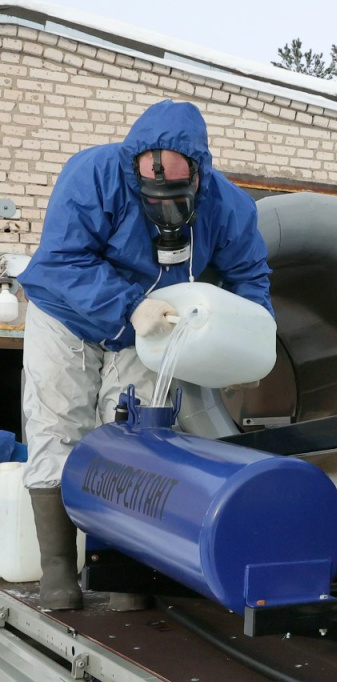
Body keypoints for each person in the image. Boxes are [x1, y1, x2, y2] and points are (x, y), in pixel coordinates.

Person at [17, 99, 273, 611]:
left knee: (131, 442)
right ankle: (59, 572)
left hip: (154, 325)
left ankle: (122, 571)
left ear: (199, 173)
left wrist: (251, 340)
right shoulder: (91, 173)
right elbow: (63, 259)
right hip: (67, 314)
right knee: (58, 427)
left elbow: (250, 278)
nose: (164, 203)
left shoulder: (231, 207)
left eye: (177, 189)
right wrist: (129, 306)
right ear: (135, 169)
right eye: (153, 190)